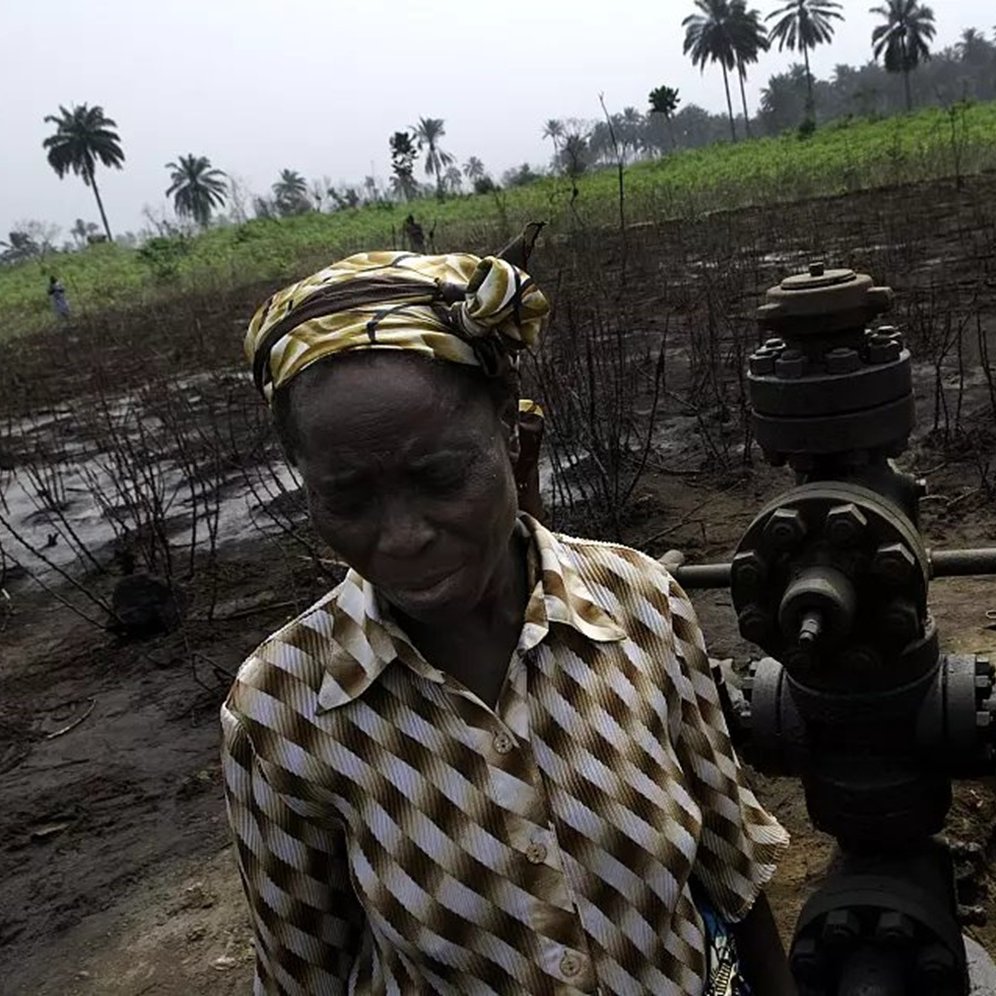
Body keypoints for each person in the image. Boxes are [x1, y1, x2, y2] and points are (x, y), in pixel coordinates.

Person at [222, 242, 793, 996]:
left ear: (510, 430)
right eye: (348, 497)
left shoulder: (639, 603)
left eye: (440, 477)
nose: (403, 537)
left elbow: (732, 869)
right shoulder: (281, 709)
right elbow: (304, 977)